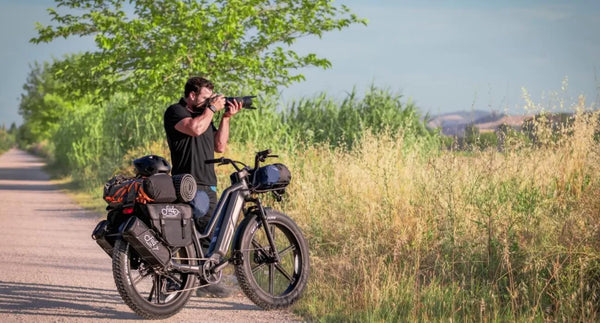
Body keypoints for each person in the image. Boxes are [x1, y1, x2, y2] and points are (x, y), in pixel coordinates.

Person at [164, 76, 242, 297]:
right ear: (192, 95)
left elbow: (220, 146)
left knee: (208, 235)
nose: (211, 101)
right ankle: (175, 279)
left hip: (208, 184)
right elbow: (195, 129)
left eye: (211, 98)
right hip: (187, 183)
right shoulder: (176, 112)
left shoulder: (205, 116)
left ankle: (203, 281)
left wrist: (226, 117)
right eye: (206, 97)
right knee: (184, 235)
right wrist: (211, 108)